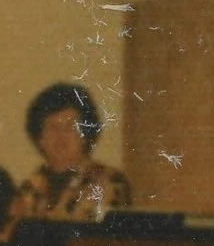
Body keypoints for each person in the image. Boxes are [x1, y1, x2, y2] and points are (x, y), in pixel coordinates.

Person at [10, 82, 131, 228]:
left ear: (86, 134)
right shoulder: (29, 188)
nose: (61, 136)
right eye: (53, 127)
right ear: (40, 138)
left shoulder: (109, 183)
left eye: (70, 127)